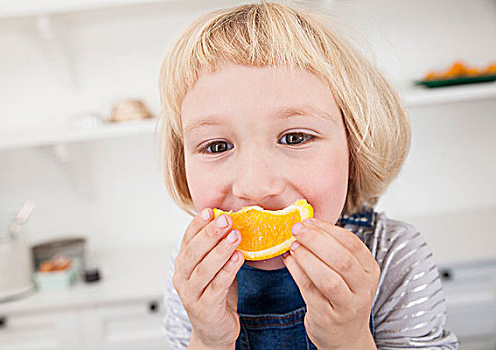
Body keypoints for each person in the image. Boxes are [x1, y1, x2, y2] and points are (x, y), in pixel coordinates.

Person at [158, 2, 459, 349]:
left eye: (295, 138)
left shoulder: (394, 256)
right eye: (216, 146)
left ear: (355, 146)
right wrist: (209, 339)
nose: (255, 187)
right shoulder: (192, 272)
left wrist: (348, 339)